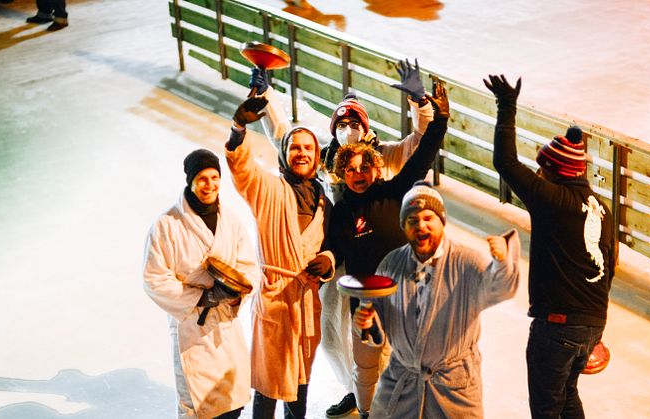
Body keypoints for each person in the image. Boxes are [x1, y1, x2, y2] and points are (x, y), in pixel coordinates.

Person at [249, 58, 434, 418]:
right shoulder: (326, 157)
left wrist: (420, 104)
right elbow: (283, 134)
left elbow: (420, 143)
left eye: (355, 123)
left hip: (376, 259)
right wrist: (267, 94)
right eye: (342, 123)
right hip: (335, 258)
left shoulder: (383, 155)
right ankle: (356, 389)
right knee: (334, 336)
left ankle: (383, 400)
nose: (348, 128)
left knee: (380, 339)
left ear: (365, 127)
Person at [483, 74, 616, 418]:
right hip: (591, 324)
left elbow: (506, 163)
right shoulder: (603, 209)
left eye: (543, 171)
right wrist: (593, 323)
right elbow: (610, 266)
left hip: (558, 326)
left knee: (546, 409)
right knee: (568, 397)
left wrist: (506, 106)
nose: (539, 177)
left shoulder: (553, 199)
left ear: (555, 171)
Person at [326, 78, 450, 418]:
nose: (358, 173)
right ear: (342, 173)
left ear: (374, 167)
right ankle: (366, 411)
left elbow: (422, 153)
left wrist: (437, 117)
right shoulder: (340, 212)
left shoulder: (393, 192)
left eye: (364, 166)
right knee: (365, 371)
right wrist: (326, 260)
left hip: (404, 301)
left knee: (409, 370)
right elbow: (334, 248)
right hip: (363, 306)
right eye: (350, 170)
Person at [353, 181, 521, 418]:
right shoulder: (391, 264)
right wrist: (370, 323)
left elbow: (500, 289)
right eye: (412, 221)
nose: (421, 226)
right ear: (404, 227)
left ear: (442, 221)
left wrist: (502, 262)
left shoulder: (467, 262)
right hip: (403, 381)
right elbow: (377, 312)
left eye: (428, 218)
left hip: (453, 387)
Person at [225, 95, 336, 418]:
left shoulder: (323, 202)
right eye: (295, 148)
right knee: (269, 382)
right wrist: (238, 128)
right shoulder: (269, 189)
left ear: (317, 157)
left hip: (305, 302)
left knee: (301, 380)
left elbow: (332, 244)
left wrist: (327, 260)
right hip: (275, 298)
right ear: (285, 154)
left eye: (308, 149)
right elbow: (242, 169)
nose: (302, 153)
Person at [143, 149, 262, 419]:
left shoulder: (230, 220)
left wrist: (235, 294)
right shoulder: (166, 225)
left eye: (214, 177)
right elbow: (153, 279)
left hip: (226, 327)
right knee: (199, 409)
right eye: (203, 179)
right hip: (192, 332)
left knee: (232, 404)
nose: (210, 185)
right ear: (190, 181)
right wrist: (200, 299)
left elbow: (249, 267)